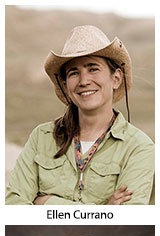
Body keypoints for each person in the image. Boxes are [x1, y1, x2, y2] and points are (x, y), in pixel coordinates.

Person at [5, 25, 154, 206]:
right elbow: (14, 204)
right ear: (66, 84)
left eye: (93, 69)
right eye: (74, 72)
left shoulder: (139, 147)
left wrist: (45, 202)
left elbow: (130, 217)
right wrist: (103, 210)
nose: (84, 81)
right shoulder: (41, 137)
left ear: (116, 78)